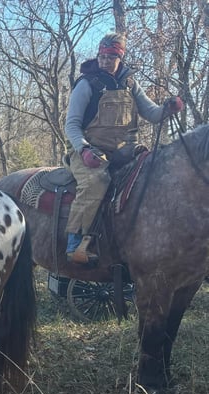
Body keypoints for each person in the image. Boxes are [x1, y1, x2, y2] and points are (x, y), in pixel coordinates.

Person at [65, 32, 183, 264]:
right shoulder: (87, 84)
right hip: (91, 152)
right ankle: (75, 242)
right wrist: (84, 149)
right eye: (102, 56)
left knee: (155, 174)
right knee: (96, 182)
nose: (105, 61)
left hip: (125, 150)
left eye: (110, 57)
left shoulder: (130, 83)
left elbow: (152, 113)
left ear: (120, 57)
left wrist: (168, 108)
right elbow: (72, 124)